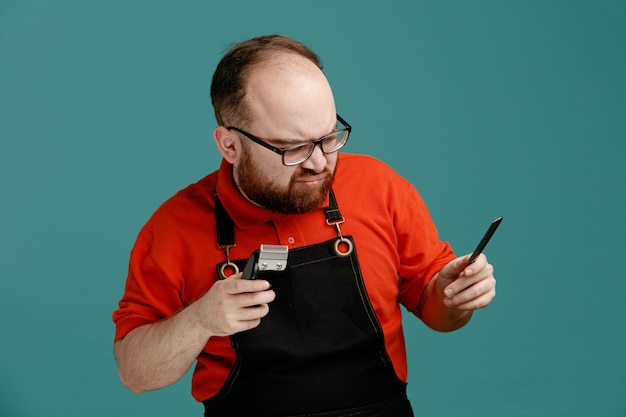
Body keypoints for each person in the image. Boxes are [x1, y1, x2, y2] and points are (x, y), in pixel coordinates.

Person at [112, 34, 496, 417]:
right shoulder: (172, 227)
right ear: (229, 145)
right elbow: (136, 374)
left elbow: (438, 312)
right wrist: (200, 320)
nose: (317, 163)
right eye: (291, 148)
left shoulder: (380, 187)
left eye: (328, 137)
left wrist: (452, 296)